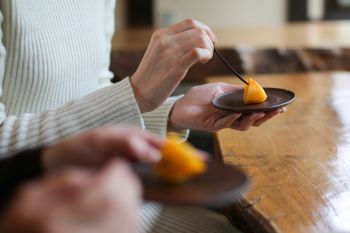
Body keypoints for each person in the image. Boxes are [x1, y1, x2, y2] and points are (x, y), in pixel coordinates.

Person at [0, 1, 284, 232]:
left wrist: (169, 112)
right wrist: (135, 93)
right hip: (44, 214)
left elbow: (94, 91)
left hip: (125, 198)